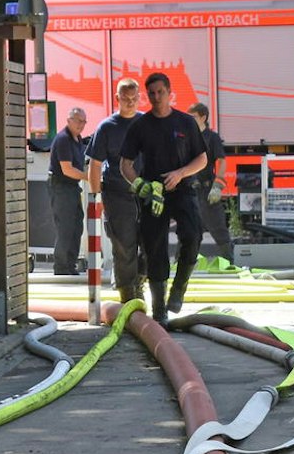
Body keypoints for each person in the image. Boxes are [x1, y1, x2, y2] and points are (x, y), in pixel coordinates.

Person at [120, 71, 208, 325]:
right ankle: (160, 309)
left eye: (161, 92)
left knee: (192, 236)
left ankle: (179, 288)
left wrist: (180, 174)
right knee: (154, 248)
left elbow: (201, 159)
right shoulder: (141, 125)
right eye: (152, 93)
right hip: (153, 193)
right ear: (147, 96)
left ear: (170, 93)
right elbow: (125, 164)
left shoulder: (185, 123)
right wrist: (140, 184)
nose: (156, 97)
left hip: (182, 189)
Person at [86, 79, 144, 304]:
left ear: (139, 98)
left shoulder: (146, 124)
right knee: (124, 245)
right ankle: (127, 294)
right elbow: (96, 164)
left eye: (134, 98)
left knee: (151, 243)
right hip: (116, 193)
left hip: (145, 192)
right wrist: (95, 197)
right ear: (117, 98)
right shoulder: (107, 127)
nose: (130, 103)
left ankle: (140, 279)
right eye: (125, 99)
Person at [188, 101, 236, 268]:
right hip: (190, 190)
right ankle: (182, 265)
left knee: (218, 228)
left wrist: (218, 185)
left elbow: (221, 161)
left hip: (207, 189)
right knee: (188, 229)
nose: (190, 120)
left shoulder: (212, 138)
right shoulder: (187, 137)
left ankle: (230, 263)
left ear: (203, 117)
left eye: (193, 117)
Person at [47, 107, 90, 276]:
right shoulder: (64, 139)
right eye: (78, 121)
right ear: (69, 120)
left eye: (84, 122)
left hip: (71, 187)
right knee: (65, 227)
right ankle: (61, 267)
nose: (82, 125)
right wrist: (89, 177)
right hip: (61, 186)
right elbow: (67, 169)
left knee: (76, 226)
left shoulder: (77, 138)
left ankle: (70, 265)